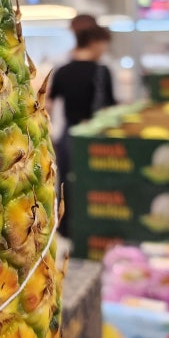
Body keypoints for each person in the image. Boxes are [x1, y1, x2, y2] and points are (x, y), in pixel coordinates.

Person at [47, 15, 116, 235]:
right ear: (95, 43)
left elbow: (48, 104)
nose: (104, 50)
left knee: (67, 184)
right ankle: (93, 229)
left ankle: (66, 228)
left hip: (68, 136)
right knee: (94, 183)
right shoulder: (102, 71)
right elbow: (109, 107)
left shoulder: (62, 70)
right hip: (94, 136)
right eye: (104, 44)